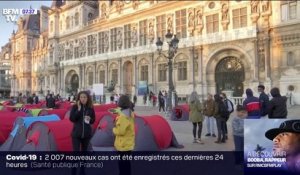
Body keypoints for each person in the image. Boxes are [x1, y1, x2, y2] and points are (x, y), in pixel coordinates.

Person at [113, 95, 135, 175]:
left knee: (122, 164)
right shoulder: (130, 112)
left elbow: (120, 131)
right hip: (128, 143)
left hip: (122, 144)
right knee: (127, 163)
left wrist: (114, 129)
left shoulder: (123, 116)